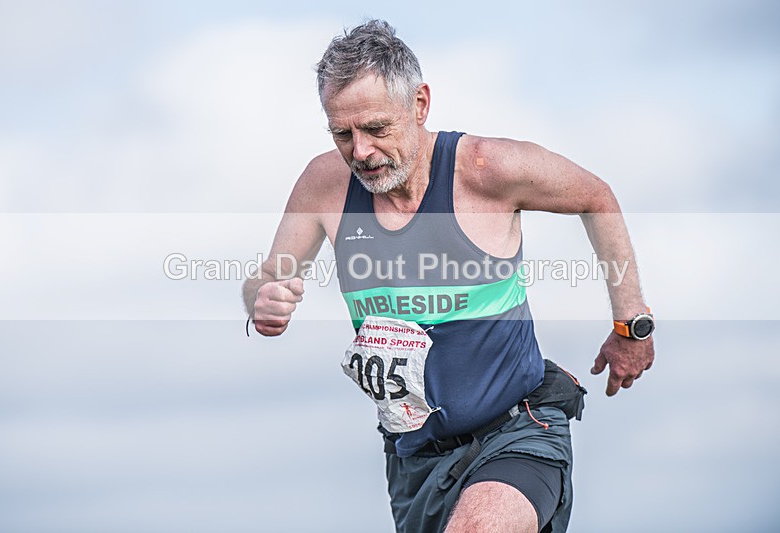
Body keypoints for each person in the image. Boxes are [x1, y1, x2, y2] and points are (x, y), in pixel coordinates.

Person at [243, 20, 655, 533]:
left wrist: (631, 323)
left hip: (518, 432)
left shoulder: (488, 169)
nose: (361, 152)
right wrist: (263, 300)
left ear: (419, 105)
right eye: (342, 134)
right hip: (415, 462)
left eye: (375, 128)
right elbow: (266, 279)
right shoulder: (324, 184)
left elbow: (597, 198)